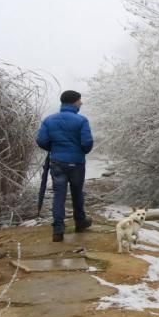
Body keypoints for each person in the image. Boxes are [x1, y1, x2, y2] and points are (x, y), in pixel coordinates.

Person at [36, 90, 94, 242]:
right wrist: (79, 150)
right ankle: (80, 222)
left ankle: (58, 230)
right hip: (77, 163)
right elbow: (87, 144)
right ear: (74, 102)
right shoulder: (82, 121)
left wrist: (55, 148)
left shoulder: (49, 120)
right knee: (77, 193)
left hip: (57, 163)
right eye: (80, 101)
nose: (81, 103)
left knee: (59, 195)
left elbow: (41, 141)